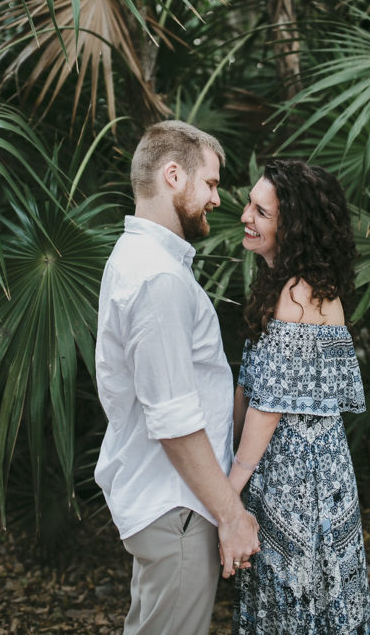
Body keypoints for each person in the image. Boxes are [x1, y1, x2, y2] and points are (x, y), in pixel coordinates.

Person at [95, 120, 260, 635]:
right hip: (179, 510)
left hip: (168, 505)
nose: (217, 199)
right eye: (210, 183)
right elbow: (172, 419)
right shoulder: (158, 279)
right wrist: (230, 514)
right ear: (173, 175)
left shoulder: (139, 260)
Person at [229, 159, 370, 635]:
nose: (246, 215)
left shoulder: (299, 293)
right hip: (289, 466)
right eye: (251, 203)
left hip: (298, 478)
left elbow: (268, 405)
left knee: (295, 599)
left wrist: (229, 489)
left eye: (261, 211)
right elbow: (249, 387)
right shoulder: (282, 283)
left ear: (293, 228)